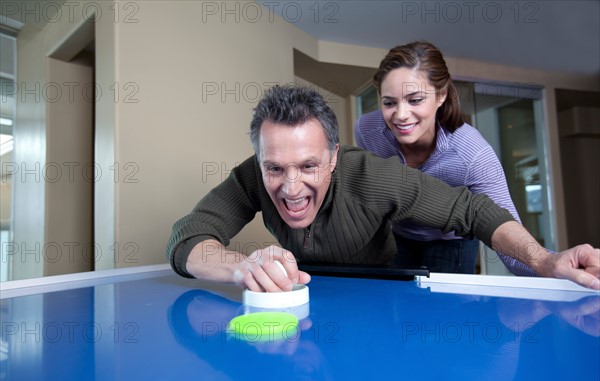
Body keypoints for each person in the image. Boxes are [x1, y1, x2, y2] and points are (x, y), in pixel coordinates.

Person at [166, 84, 600, 292]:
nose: (291, 188)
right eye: (275, 168)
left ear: (334, 157)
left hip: (380, 291)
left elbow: (472, 211)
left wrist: (545, 260)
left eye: (309, 165)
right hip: (310, 295)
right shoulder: (250, 176)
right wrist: (239, 267)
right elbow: (187, 237)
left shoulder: (373, 175)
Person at [355, 40, 533, 275]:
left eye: (415, 100)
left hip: (451, 242)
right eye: (389, 102)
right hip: (397, 236)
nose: (401, 115)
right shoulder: (367, 131)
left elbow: (506, 231)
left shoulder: (473, 154)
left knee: (447, 310)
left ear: (440, 96)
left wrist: (551, 266)